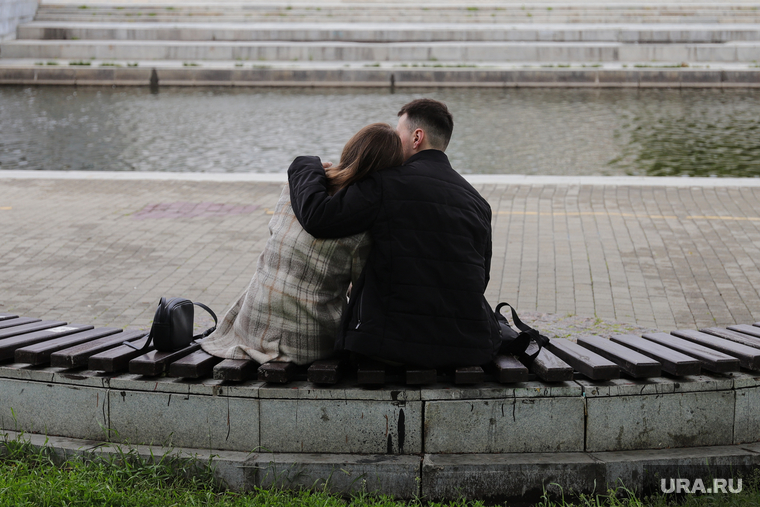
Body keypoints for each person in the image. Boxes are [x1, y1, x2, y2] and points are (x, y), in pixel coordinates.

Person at [287, 98, 500, 368]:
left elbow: (319, 217)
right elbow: (481, 278)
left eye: (398, 134)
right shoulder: (478, 202)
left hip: (389, 346)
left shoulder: (385, 184)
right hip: (470, 348)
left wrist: (305, 165)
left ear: (417, 137)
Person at [201, 123, 404, 365]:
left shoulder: (295, 189)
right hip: (309, 343)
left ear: (350, 149)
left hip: (251, 327)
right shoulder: (362, 223)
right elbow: (362, 290)